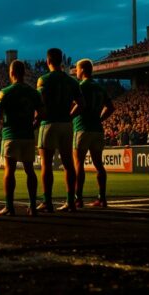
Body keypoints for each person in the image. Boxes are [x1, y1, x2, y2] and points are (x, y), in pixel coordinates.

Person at [0, 60, 45, 217]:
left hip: (11, 135)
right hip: (28, 136)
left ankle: (9, 206)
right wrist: (33, 125)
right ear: (24, 73)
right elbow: (42, 113)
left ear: (12, 73)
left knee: (10, 170)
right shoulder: (33, 92)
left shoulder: (5, 91)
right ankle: (33, 206)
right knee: (30, 170)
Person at [36, 48, 84, 212]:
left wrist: (36, 118)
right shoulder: (72, 81)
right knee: (68, 164)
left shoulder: (43, 80)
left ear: (48, 61)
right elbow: (81, 104)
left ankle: (47, 201)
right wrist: (70, 116)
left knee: (46, 164)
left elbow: (39, 103)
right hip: (66, 125)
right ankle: (70, 202)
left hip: (49, 124)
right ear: (61, 61)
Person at [71, 59, 115, 208]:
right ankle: (102, 198)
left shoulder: (80, 86)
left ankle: (78, 199)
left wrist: (69, 116)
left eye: (77, 69)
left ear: (82, 70)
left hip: (82, 128)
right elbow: (110, 107)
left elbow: (78, 105)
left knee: (78, 165)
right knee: (99, 165)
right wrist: (100, 118)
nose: (76, 72)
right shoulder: (100, 88)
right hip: (97, 130)